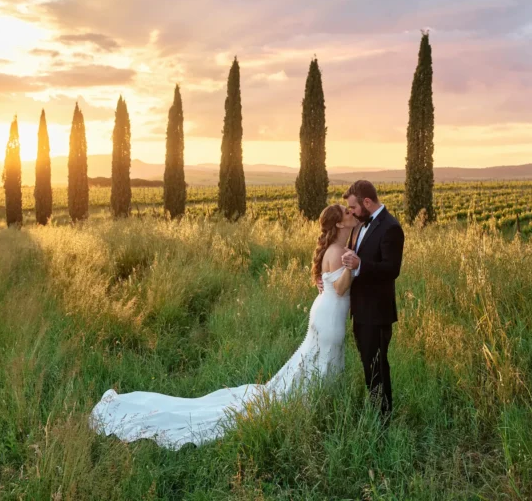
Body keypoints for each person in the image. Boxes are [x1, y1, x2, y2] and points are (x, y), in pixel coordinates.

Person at [89, 204, 359, 449]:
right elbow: (339, 287)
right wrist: (353, 266)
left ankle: (316, 406)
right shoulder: (338, 252)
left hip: (325, 311)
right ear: (338, 224)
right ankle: (314, 409)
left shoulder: (337, 248)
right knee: (322, 361)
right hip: (330, 316)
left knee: (315, 362)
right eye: (347, 212)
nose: (351, 213)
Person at [335, 180, 404, 419]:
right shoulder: (359, 225)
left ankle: (383, 419)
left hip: (377, 312)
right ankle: (376, 411)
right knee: (368, 364)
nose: (351, 212)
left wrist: (361, 264)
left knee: (377, 366)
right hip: (361, 310)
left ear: (366, 202)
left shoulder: (391, 227)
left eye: (353, 207)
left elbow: (392, 269)